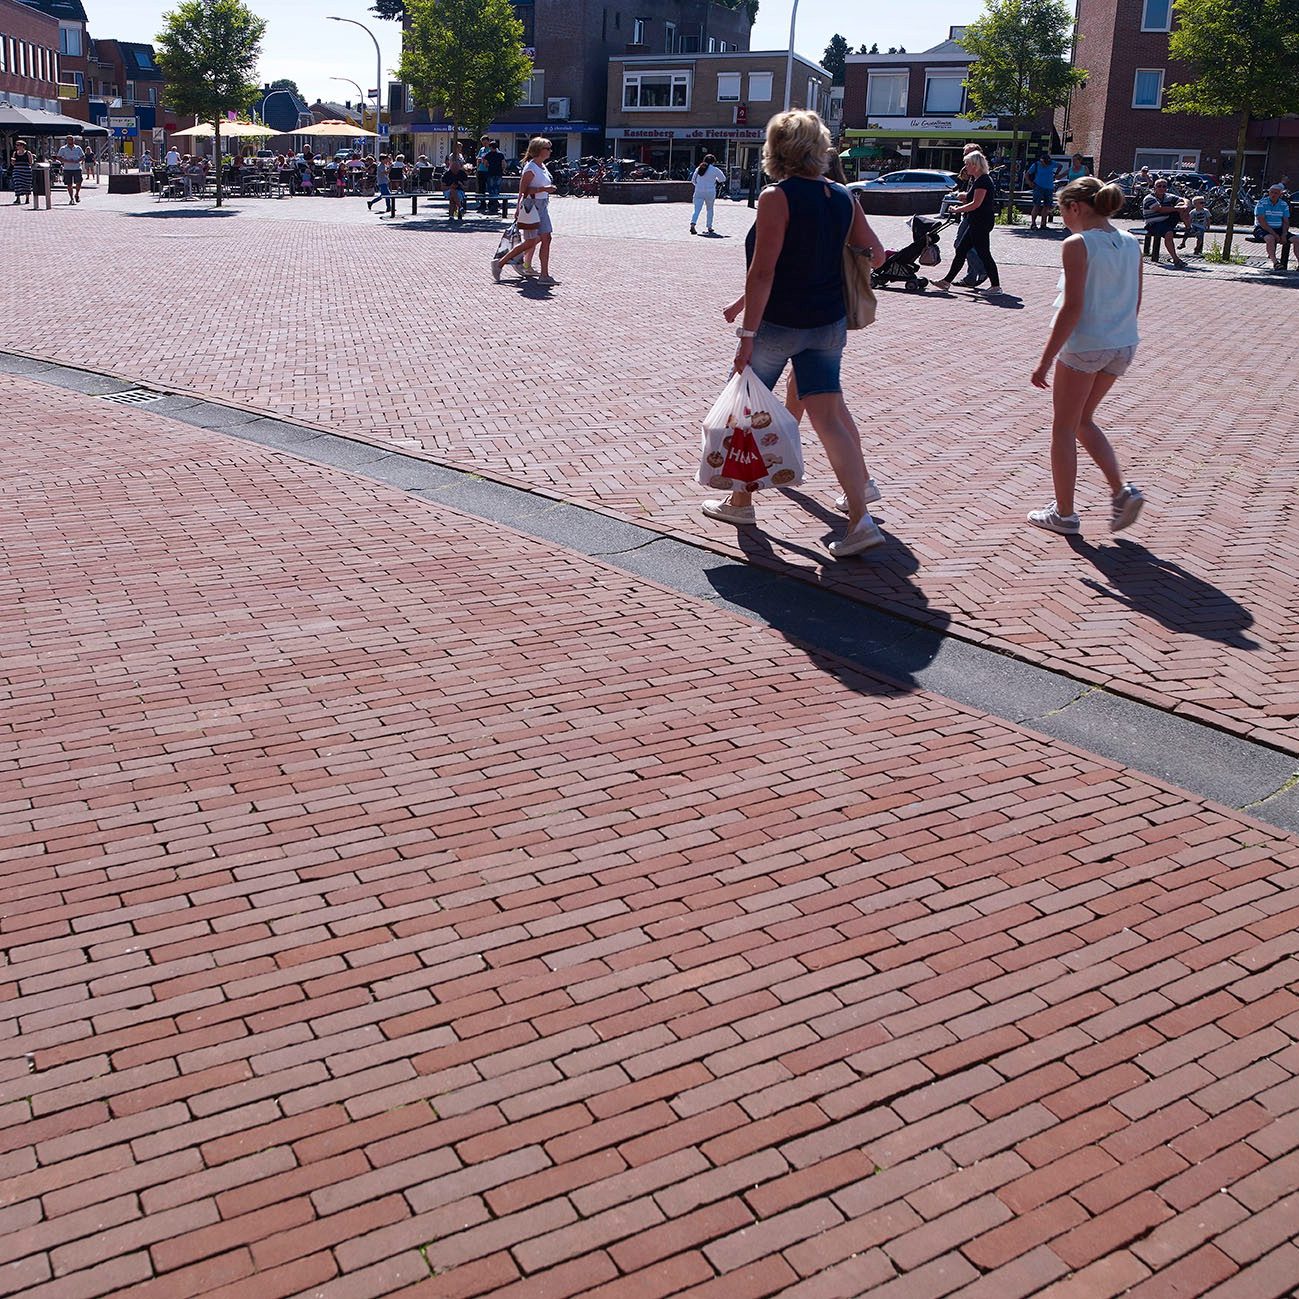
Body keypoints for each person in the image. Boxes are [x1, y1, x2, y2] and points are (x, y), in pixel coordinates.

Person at [704, 109, 887, 558]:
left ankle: (741, 502)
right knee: (830, 420)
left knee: (748, 412)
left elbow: (765, 270)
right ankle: (860, 519)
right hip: (827, 325)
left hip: (778, 326)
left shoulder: (776, 197)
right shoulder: (843, 196)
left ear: (777, 148)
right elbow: (878, 254)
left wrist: (746, 335)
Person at [1027, 176, 1144, 537]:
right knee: (1083, 421)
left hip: (1086, 344)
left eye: (1062, 211)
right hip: (1122, 343)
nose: (1062, 218)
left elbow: (1072, 307)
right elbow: (1135, 301)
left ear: (1075, 208)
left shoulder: (1077, 244)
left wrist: (1045, 359)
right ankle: (1121, 492)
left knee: (1063, 426)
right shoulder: (1130, 242)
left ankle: (1064, 513)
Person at [933, 151, 1002, 295]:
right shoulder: (978, 180)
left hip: (981, 222)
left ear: (975, 165)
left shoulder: (983, 180)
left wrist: (957, 210)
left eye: (967, 164)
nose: (965, 167)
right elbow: (974, 200)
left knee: (984, 253)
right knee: (961, 250)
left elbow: (976, 204)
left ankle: (996, 286)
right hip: (976, 221)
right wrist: (964, 197)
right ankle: (946, 282)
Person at [493, 136, 558, 284]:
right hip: (531, 205)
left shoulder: (542, 166)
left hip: (542, 205)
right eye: (547, 148)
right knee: (530, 242)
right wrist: (544, 189)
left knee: (546, 238)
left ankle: (544, 275)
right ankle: (500, 263)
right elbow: (523, 191)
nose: (550, 151)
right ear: (539, 150)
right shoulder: (531, 167)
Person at [1141, 178, 1188, 266]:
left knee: (1183, 207)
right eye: (1159, 186)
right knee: (1169, 234)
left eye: (1164, 186)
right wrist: (1177, 208)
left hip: (1167, 221)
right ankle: (1176, 259)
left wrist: (1184, 205)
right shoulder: (1149, 198)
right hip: (1153, 224)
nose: (1161, 188)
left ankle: (1188, 228)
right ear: (1154, 188)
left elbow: (1185, 200)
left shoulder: (1168, 196)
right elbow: (1159, 209)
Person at [1253, 182, 1291, 269]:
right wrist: (1274, 234)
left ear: (1280, 195)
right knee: (1270, 238)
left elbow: (1286, 221)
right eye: (1271, 192)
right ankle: (1275, 262)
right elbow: (1261, 221)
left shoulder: (1283, 204)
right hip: (1263, 229)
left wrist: (1284, 234)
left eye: (1276, 193)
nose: (1273, 195)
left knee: (1296, 239)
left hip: (1279, 228)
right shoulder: (1262, 203)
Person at [690, 153, 726, 234]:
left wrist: (698, 185)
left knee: (696, 209)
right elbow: (722, 179)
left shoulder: (699, 168)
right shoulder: (715, 169)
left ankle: (693, 223)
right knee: (710, 209)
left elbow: (693, 180)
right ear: (713, 162)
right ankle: (709, 226)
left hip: (699, 191)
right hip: (710, 192)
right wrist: (715, 179)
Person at [1026, 153, 1059, 230]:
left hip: (1049, 187)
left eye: (1048, 163)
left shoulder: (1052, 163)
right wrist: (1029, 182)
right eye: (1045, 163)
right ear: (1041, 161)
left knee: (1046, 206)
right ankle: (1033, 224)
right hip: (1038, 187)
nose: (1047, 164)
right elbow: (1027, 174)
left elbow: (1060, 165)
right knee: (1036, 205)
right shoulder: (1036, 165)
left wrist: (1056, 174)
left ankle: (1043, 224)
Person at [56, 135, 85, 204]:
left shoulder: (78, 148)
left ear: (73, 140)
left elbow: (83, 156)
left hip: (77, 168)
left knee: (79, 182)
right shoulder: (63, 148)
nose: (70, 141)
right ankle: (71, 198)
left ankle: (77, 194)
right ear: (67, 140)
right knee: (69, 184)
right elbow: (58, 157)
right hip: (67, 168)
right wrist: (65, 161)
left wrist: (78, 160)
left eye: (71, 139)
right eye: (69, 139)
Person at [366, 152, 395, 217]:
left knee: (384, 195)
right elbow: (385, 173)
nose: (387, 160)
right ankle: (388, 207)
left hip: (384, 182)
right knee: (387, 195)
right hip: (382, 183)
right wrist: (390, 168)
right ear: (382, 160)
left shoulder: (383, 165)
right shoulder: (380, 166)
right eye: (386, 159)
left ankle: (371, 203)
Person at [443, 150, 469, 220]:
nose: (455, 169)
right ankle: (460, 208)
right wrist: (450, 186)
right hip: (448, 191)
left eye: (456, 167)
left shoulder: (462, 174)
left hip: (460, 191)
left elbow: (467, 187)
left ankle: (452, 216)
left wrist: (461, 185)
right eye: (453, 167)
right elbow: (442, 187)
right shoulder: (447, 174)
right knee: (452, 191)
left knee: (452, 197)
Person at [484, 138, 505, 215]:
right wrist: (502, 169)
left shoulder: (488, 155)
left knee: (490, 188)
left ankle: (492, 203)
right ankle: (496, 202)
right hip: (499, 173)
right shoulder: (500, 155)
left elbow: (485, 164)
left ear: (490, 147)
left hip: (490, 173)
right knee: (497, 188)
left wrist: (488, 166)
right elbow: (504, 164)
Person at [8, 140, 33, 205]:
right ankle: (18, 198)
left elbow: (31, 162)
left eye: (18, 145)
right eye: (16, 145)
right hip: (17, 170)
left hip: (26, 171)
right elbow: (13, 163)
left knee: (26, 184)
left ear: (23, 146)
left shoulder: (28, 153)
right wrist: (12, 162)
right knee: (17, 182)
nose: (17, 146)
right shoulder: (15, 153)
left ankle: (27, 198)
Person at [475, 134, 491, 212]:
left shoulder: (491, 150)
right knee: (481, 188)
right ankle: (482, 203)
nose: (484, 144)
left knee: (490, 187)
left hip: (488, 171)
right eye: (483, 143)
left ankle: (492, 203)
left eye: (485, 143)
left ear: (488, 142)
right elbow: (478, 157)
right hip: (481, 170)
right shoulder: (481, 149)